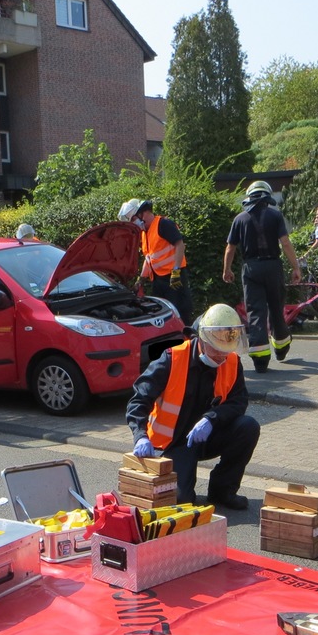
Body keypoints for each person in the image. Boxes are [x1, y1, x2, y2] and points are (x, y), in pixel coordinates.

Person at [126, 304, 259, 510]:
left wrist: (211, 418)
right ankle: (186, 486)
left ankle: (223, 491)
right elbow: (139, 399)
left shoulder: (231, 361)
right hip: (176, 442)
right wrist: (140, 435)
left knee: (248, 427)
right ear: (203, 339)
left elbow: (238, 401)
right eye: (216, 350)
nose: (221, 357)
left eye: (226, 351)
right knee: (182, 500)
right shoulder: (171, 358)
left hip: (209, 435)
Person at [222, 181, 303, 372]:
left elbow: (230, 248)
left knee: (255, 312)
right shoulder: (275, 215)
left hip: (251, 268)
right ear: (267, 196)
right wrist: (296, 267)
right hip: (273, 266)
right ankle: (282, 348)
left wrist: (227, 270)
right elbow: (285, 243)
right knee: (277, 308)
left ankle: (260, 360)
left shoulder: (240, 219)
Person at [118, 198, 193, 326]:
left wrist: (175, 271)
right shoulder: (145, 233)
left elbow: (180, 245)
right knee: (163, 314)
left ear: (142, 213)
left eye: (133, 219)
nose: (133, 223)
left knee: (179, 313)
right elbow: (149, 258)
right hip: (159, 280)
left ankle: (186, 340)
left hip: (174, 278)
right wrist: (140, 280)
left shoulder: (163, 224)